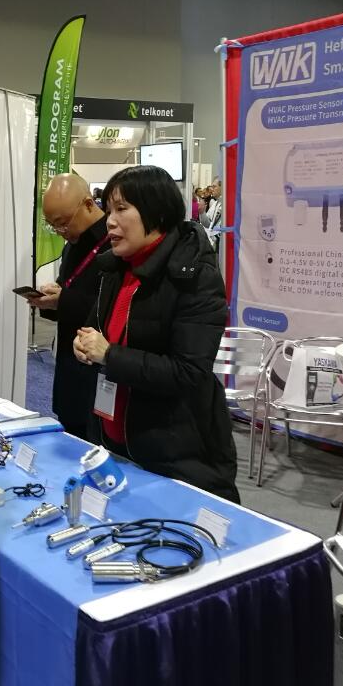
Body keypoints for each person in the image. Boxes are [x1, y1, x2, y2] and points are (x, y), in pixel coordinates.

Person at [73, 165, 239, 503]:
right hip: (114, 440)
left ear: (156, 212)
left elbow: (189, 372)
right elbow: (97, 333)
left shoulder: (194, 277)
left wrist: (109, 354)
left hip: (174, 451)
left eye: (122, 209)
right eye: (108, 210)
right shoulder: (115, 268)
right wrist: (84, 345)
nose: (110, 221)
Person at [28, 173, 110, 441]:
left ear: (88, 204)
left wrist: (64, 299)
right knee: (69, 434)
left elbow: (110, 306)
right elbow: (70, 290)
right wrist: (51, 299)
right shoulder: (72, 246)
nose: (60, 232)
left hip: (100, 366)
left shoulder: (114, 243)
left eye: (63, 223)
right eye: (52, 225)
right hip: (67, 359)